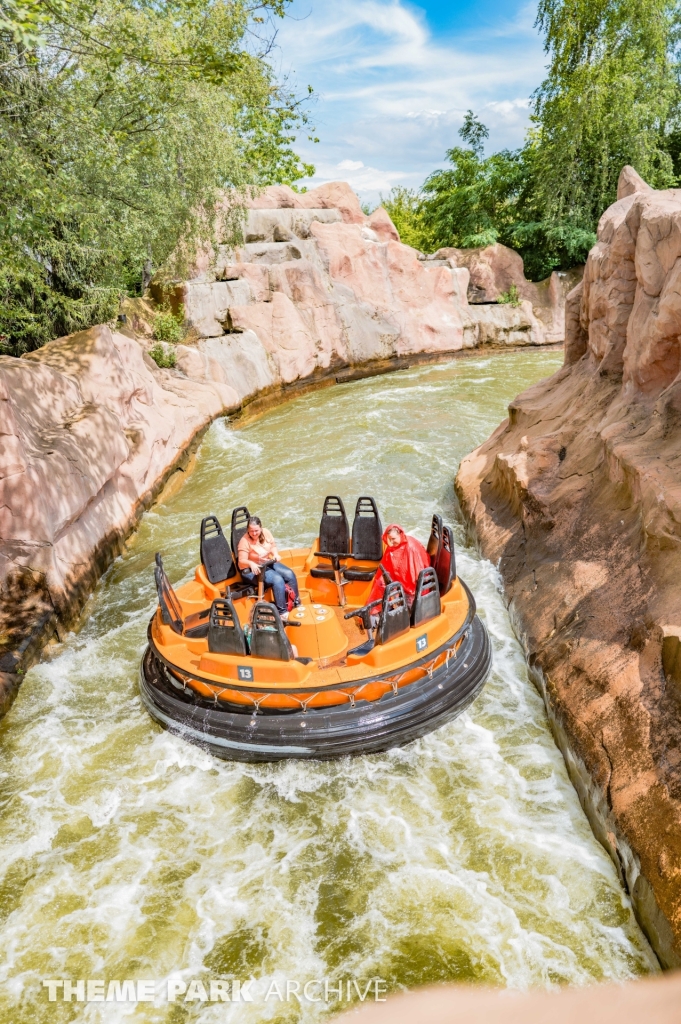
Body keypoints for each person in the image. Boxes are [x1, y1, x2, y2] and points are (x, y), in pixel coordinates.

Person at [237, 516, 300, 620]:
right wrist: (251, 563)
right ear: (248, 530)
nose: (254, 533)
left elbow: (273, 546)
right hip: (250, 570)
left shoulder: (266, 532)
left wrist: (275, 554)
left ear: (261, 528)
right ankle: (282, 613)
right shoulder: (244, 541)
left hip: (266, 563)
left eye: (256, 530)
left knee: (289, 574)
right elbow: (241, 561)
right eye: (251, 531)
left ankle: (295, 603)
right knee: (277, 579)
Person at [367, 524, 431, 610]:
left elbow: (417, 573)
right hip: (400, 579)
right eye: (389, 539)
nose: (391, 542)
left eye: (393, 539)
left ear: (400, 534)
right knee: (380, 583)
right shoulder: (392, 546)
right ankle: (378, 610)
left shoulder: (411, 548)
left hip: (413, 586)